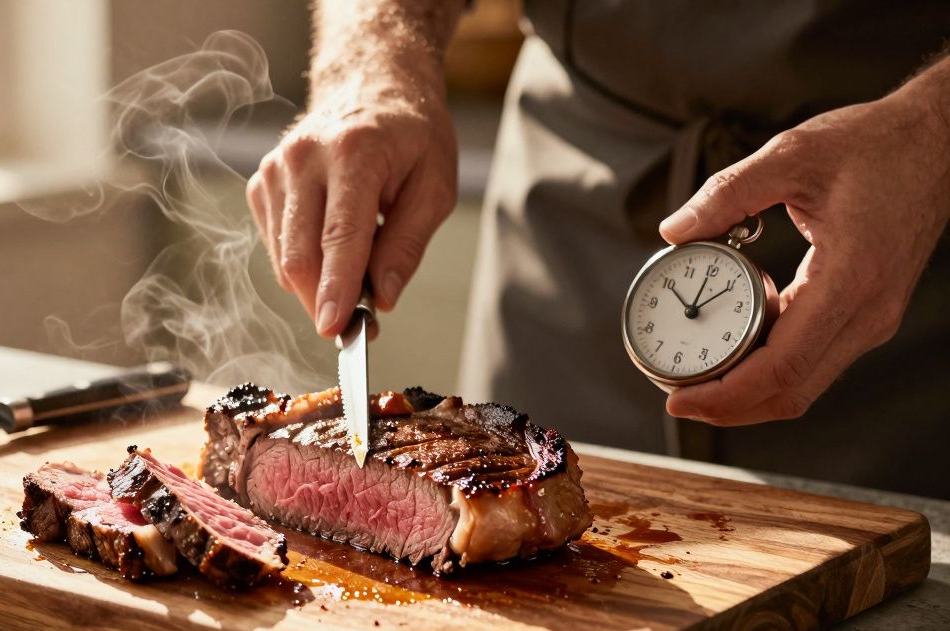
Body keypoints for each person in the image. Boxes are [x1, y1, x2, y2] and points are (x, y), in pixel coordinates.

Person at [246, 1, 950, 498]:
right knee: (502, 515)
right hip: (572, 209)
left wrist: (930, 137)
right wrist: (370, 63)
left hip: (912, 251)